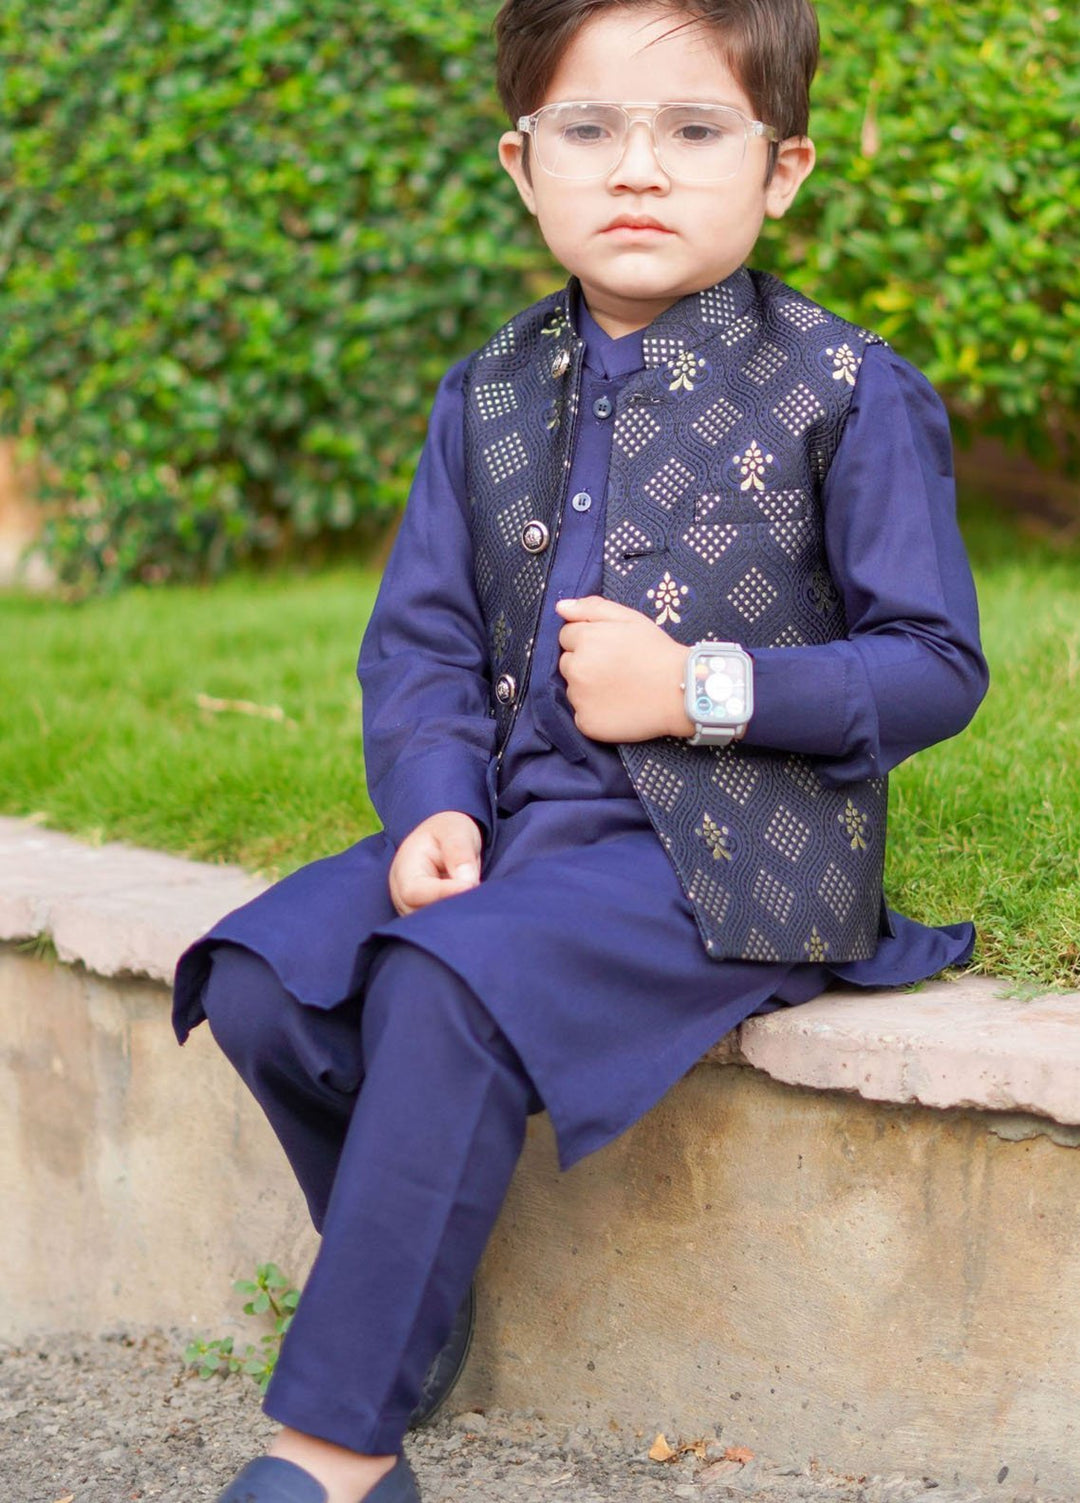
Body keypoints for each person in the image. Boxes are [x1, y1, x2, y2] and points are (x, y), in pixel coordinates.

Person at [173, 2, 989, 1499]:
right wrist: (433, 805)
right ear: (522, 163)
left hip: (726, 849)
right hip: (517, 823)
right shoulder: (484, 393)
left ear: (783, 170)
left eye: (695, 131)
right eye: (590, 129)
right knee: (262, 977)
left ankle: (334, 1456)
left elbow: (935, 665)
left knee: (446, 980)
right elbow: (420, 649)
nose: (638, 169)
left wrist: (697, 688)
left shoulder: (847, 390)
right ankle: (400, 1292)